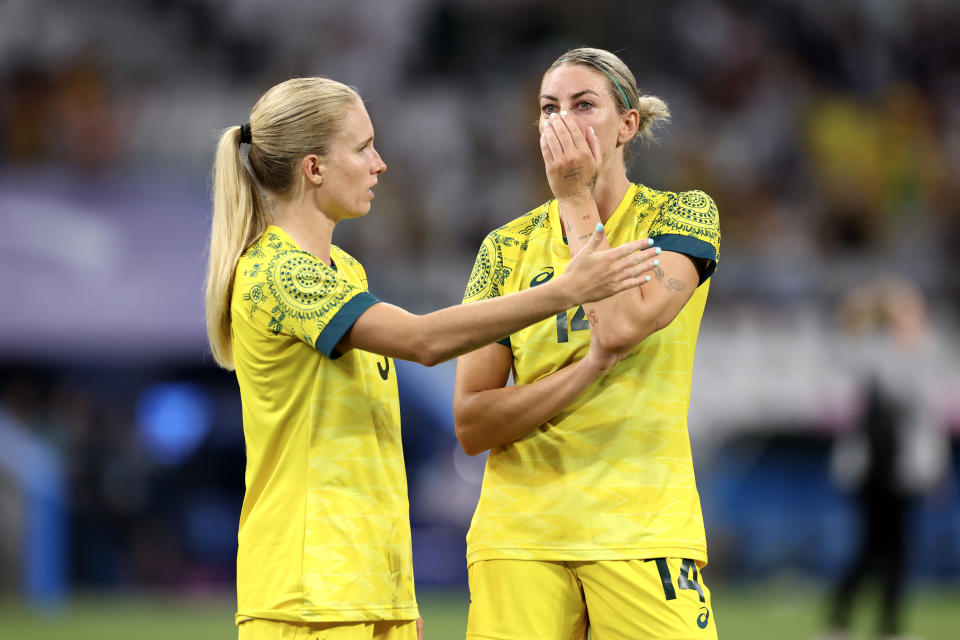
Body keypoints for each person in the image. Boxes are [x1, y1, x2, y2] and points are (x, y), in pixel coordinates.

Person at [204, 76, 660, 640]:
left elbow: (366, 441)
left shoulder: (343, 272)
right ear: (314, 169)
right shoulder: (276, 271)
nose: (380, 164)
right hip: (305, 592)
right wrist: (564, 291)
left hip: (366, 585)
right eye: (364, 147)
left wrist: (393, 589)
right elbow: (423, 341)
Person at [453, 47, 721, 639]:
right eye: (549, 108)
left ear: (627, 124)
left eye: (584, 105)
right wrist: (589, 368)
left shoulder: (683, 217)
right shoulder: (504, 249)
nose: (563, 122)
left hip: (642, 527)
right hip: (519, 536)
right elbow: (472, 423)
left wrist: (575, 199)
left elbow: (623, 326)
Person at [821, 277, 949, 640]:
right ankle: (838, 622)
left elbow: (930, 418)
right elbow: (888, 389)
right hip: (874, 465)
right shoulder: (874, 350)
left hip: (907, 468)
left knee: (900, 550)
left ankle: (889, 627)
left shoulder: (928, 350)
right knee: (870, 548)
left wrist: (936, 471)